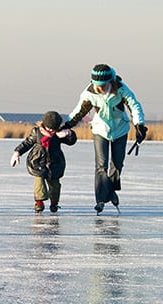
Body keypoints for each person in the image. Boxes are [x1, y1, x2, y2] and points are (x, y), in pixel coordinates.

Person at [61, 64, 146, 214]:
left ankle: (110, 190)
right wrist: (67, 124)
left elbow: (134, 105)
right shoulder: (89, 92)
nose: (98, 88)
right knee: (101, 166)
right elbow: (79, 111)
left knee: (117, 165)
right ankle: (100, 200)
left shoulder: (120, 88)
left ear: (110, 81)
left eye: (102, 85)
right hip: (100, 130)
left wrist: (139, 124)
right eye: (96, 85)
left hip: (120, 130)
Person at [11, 111, 77, 213]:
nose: (51, 130)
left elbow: (71, 142)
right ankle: (39, 202)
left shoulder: (59, 134)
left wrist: (69, 134)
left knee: (55, 184)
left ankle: (54, 203)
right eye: (49, 127)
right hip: (38, 161)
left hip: (55, 162)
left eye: (53, 128)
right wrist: (17, 152)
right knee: (39, 181)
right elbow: (27, 143)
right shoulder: (37, 132)